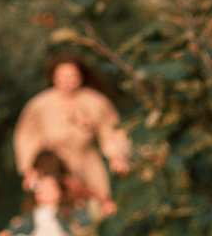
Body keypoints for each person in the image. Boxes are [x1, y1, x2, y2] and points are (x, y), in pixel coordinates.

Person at [13, 57, 129, 214]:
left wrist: (117, 156)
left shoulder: (95, 101)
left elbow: (111, 129)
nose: (67, 81)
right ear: (54, 77)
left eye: (72, 76)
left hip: (88, 163)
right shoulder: (39, 105)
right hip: (55, 167)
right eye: (62, 77)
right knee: (61, 212)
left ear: (81, 77)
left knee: (98, 207)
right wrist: (29, 169)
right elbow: (26, 136)